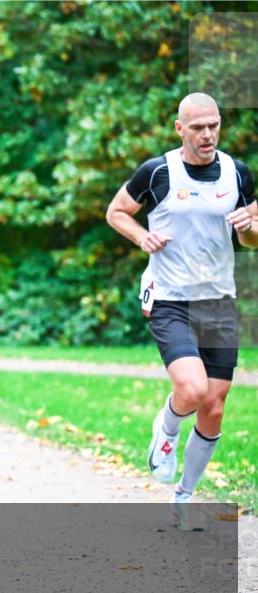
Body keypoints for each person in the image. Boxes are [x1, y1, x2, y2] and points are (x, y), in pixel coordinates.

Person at [105, 92, 256, 531]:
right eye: (197, 127)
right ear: (179, 128)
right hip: (170, 297)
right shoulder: (158, 172)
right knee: (190, 390)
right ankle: (166, 429)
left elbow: (250, 239)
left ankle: (184, 496)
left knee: (214, 405)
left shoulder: (237, 173)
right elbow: (116, 212)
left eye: (213, 125)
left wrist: (250, 230)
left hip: (219, 300)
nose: (207, 134)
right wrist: (141, 237)